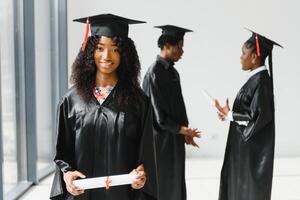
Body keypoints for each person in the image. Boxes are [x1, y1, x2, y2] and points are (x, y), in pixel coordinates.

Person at [50, 13, 157, 200]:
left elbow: (146, 152)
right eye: (100, 48)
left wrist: (142, 174)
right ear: (90, 51)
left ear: (125, 54)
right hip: (82, 194)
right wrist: (67, 176)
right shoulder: (71, 100)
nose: (106, 56)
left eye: (115, 49)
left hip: (122, 194)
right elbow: (63, 152)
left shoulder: (138, 101)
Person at [215, 29, 283, 200]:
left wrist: (231, 115)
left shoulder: (261, 82)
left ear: (254, 57)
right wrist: (229, 114)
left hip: (252, 154)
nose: (241, 57)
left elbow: (258, 118)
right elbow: (250, 113)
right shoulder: (255, 80)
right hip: (244, 151)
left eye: (243, 53)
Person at [142, 25, 200, 200]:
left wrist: (185, 132)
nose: (182, 51)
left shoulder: (172, 72)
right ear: (167, 45)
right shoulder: (154, 73)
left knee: (176, 182)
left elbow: (179, 106)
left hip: (173, 138)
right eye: (179, 46)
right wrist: (183, 130)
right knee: (164, 183)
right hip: (160, 141)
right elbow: (158, 117)